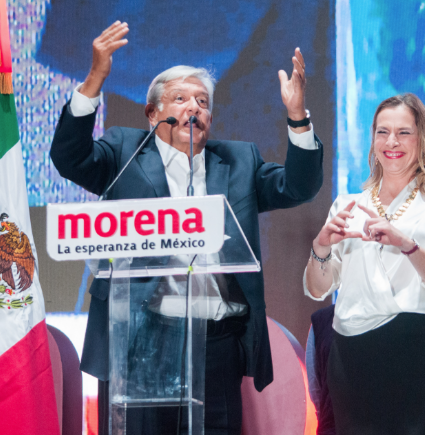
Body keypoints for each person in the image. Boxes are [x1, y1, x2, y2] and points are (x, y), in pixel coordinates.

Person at [50, 22, 324, 435]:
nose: (193, 108)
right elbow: (70, 158)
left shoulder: (238, 162)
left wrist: (297, 117)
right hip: (137, 341)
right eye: (179, 99)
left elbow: (299, 186)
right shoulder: (124, 152)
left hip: (215, 346)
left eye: (202, 101)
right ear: (153, 113)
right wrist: (94, 80)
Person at [304, 93, 425, 434]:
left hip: (417, 348)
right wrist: (320, 246)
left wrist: (407, 245)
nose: (391, 142)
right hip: (352, 352)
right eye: (383, 132)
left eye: (403, 132)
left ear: (421, 139)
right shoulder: (347, 204)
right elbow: (320, 288)